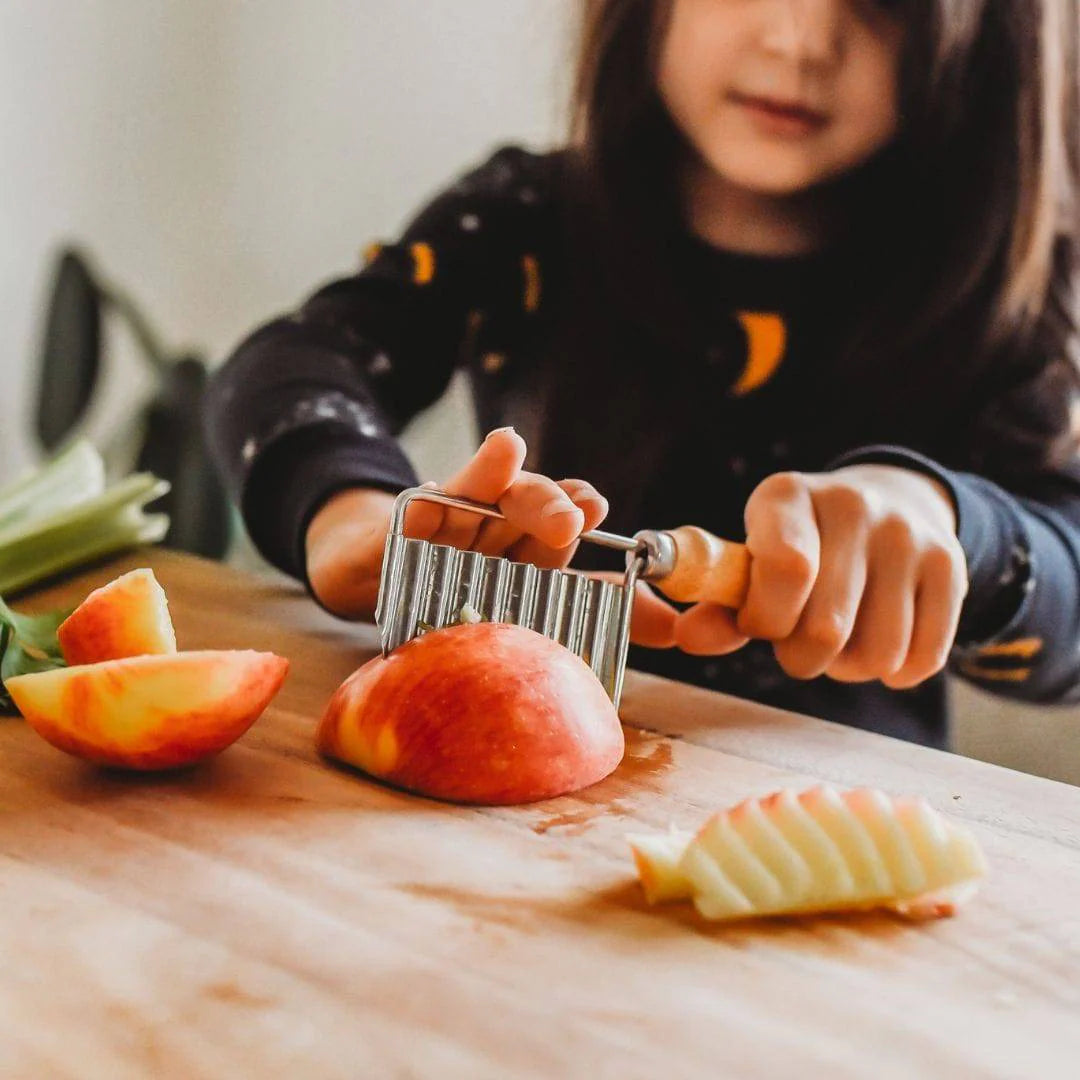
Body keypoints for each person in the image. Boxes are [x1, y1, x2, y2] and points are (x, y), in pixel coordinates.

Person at [205, 0, 1080, 748]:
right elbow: (297, 361)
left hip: (839, 830)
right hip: (511, 773)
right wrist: (348, 512)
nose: (802, 38)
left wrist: (956, 527)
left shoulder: (1005, 299)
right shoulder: (524, 222)